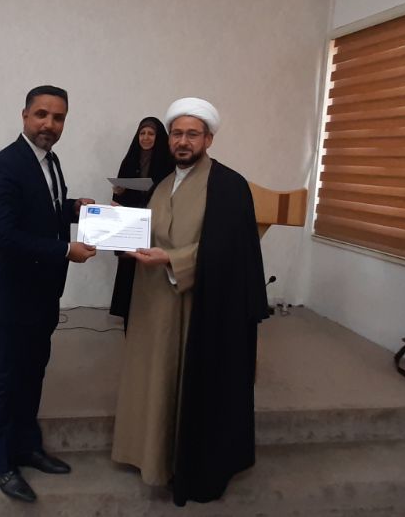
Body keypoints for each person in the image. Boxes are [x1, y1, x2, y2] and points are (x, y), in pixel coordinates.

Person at [110, 97, 269, 506]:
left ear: (208, 139)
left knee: (184, 386)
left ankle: (180, 464)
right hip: (152, 303)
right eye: (177, 134)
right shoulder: (163, 183)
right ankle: (150, 457)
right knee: (153, 382)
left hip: (198, 306)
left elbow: (229, 251)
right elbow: (149, 233)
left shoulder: (228, 186)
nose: (183, 141)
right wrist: (116, 227)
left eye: (192, 134)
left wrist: (173, 260)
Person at [0, 85, 98, 503]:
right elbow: (5, 237)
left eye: (58, 117)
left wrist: (74, 208)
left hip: (43, 294)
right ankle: (0, 463)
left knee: (32, 374)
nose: (49, 124)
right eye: (41, 114)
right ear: (24, 115)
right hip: (8, 297)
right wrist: (65, 250)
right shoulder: (4, 167)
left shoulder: (49, 160)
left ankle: (27, 446)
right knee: (2, 380)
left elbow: (43, 209)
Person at [108, 117, 174, 322]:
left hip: (157, 223)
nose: (145, 138)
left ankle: (151, 316)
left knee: (152, 270)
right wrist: (119, 192)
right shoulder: (129, 160)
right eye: (142, 133)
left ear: (159, 137)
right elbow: (118, 197)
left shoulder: (168, 162)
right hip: (132, 224)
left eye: (151, 134)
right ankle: (128, 314)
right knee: (129, 270)